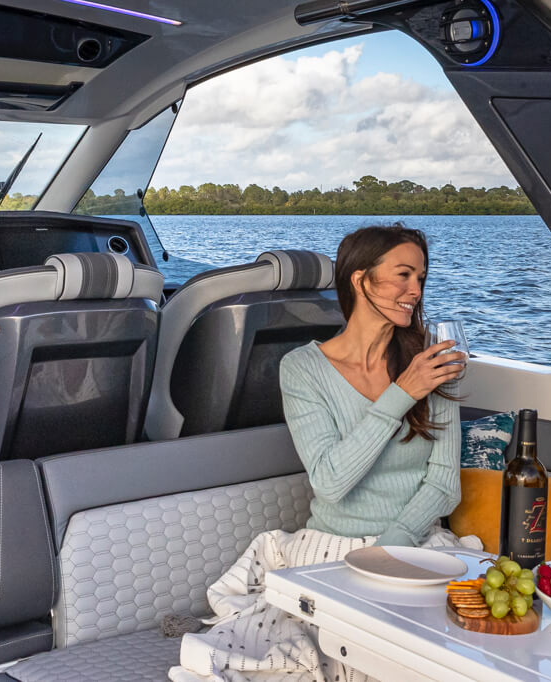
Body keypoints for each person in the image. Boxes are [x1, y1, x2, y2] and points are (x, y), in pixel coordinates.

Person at [170, 225, 480, 682]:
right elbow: (332, 482)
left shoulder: (431, 364)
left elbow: (444, 485)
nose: (416, 290)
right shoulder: (302, 369)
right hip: (331, 551)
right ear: (360, 279)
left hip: (415, 543)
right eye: (403, 275)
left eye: (421, 277)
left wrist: (390, 548)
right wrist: (401, 394)